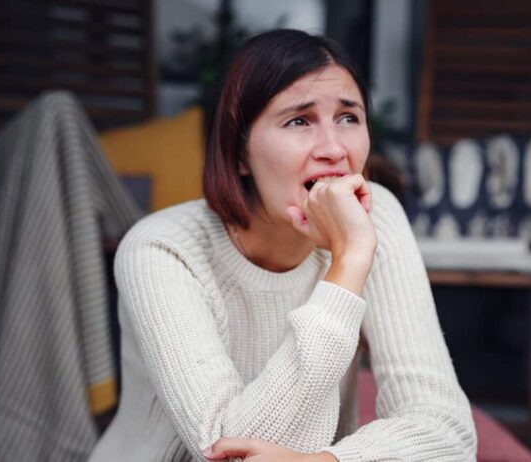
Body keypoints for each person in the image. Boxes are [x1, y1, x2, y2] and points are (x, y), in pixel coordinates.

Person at [89, 29, 476, 462]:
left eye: (349, 118)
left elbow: (448, 432)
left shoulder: (376, 214)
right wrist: (347, 264)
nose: (334, 149)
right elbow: (229, 453)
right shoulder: (161, 251)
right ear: (239, 153)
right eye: (299, 120)